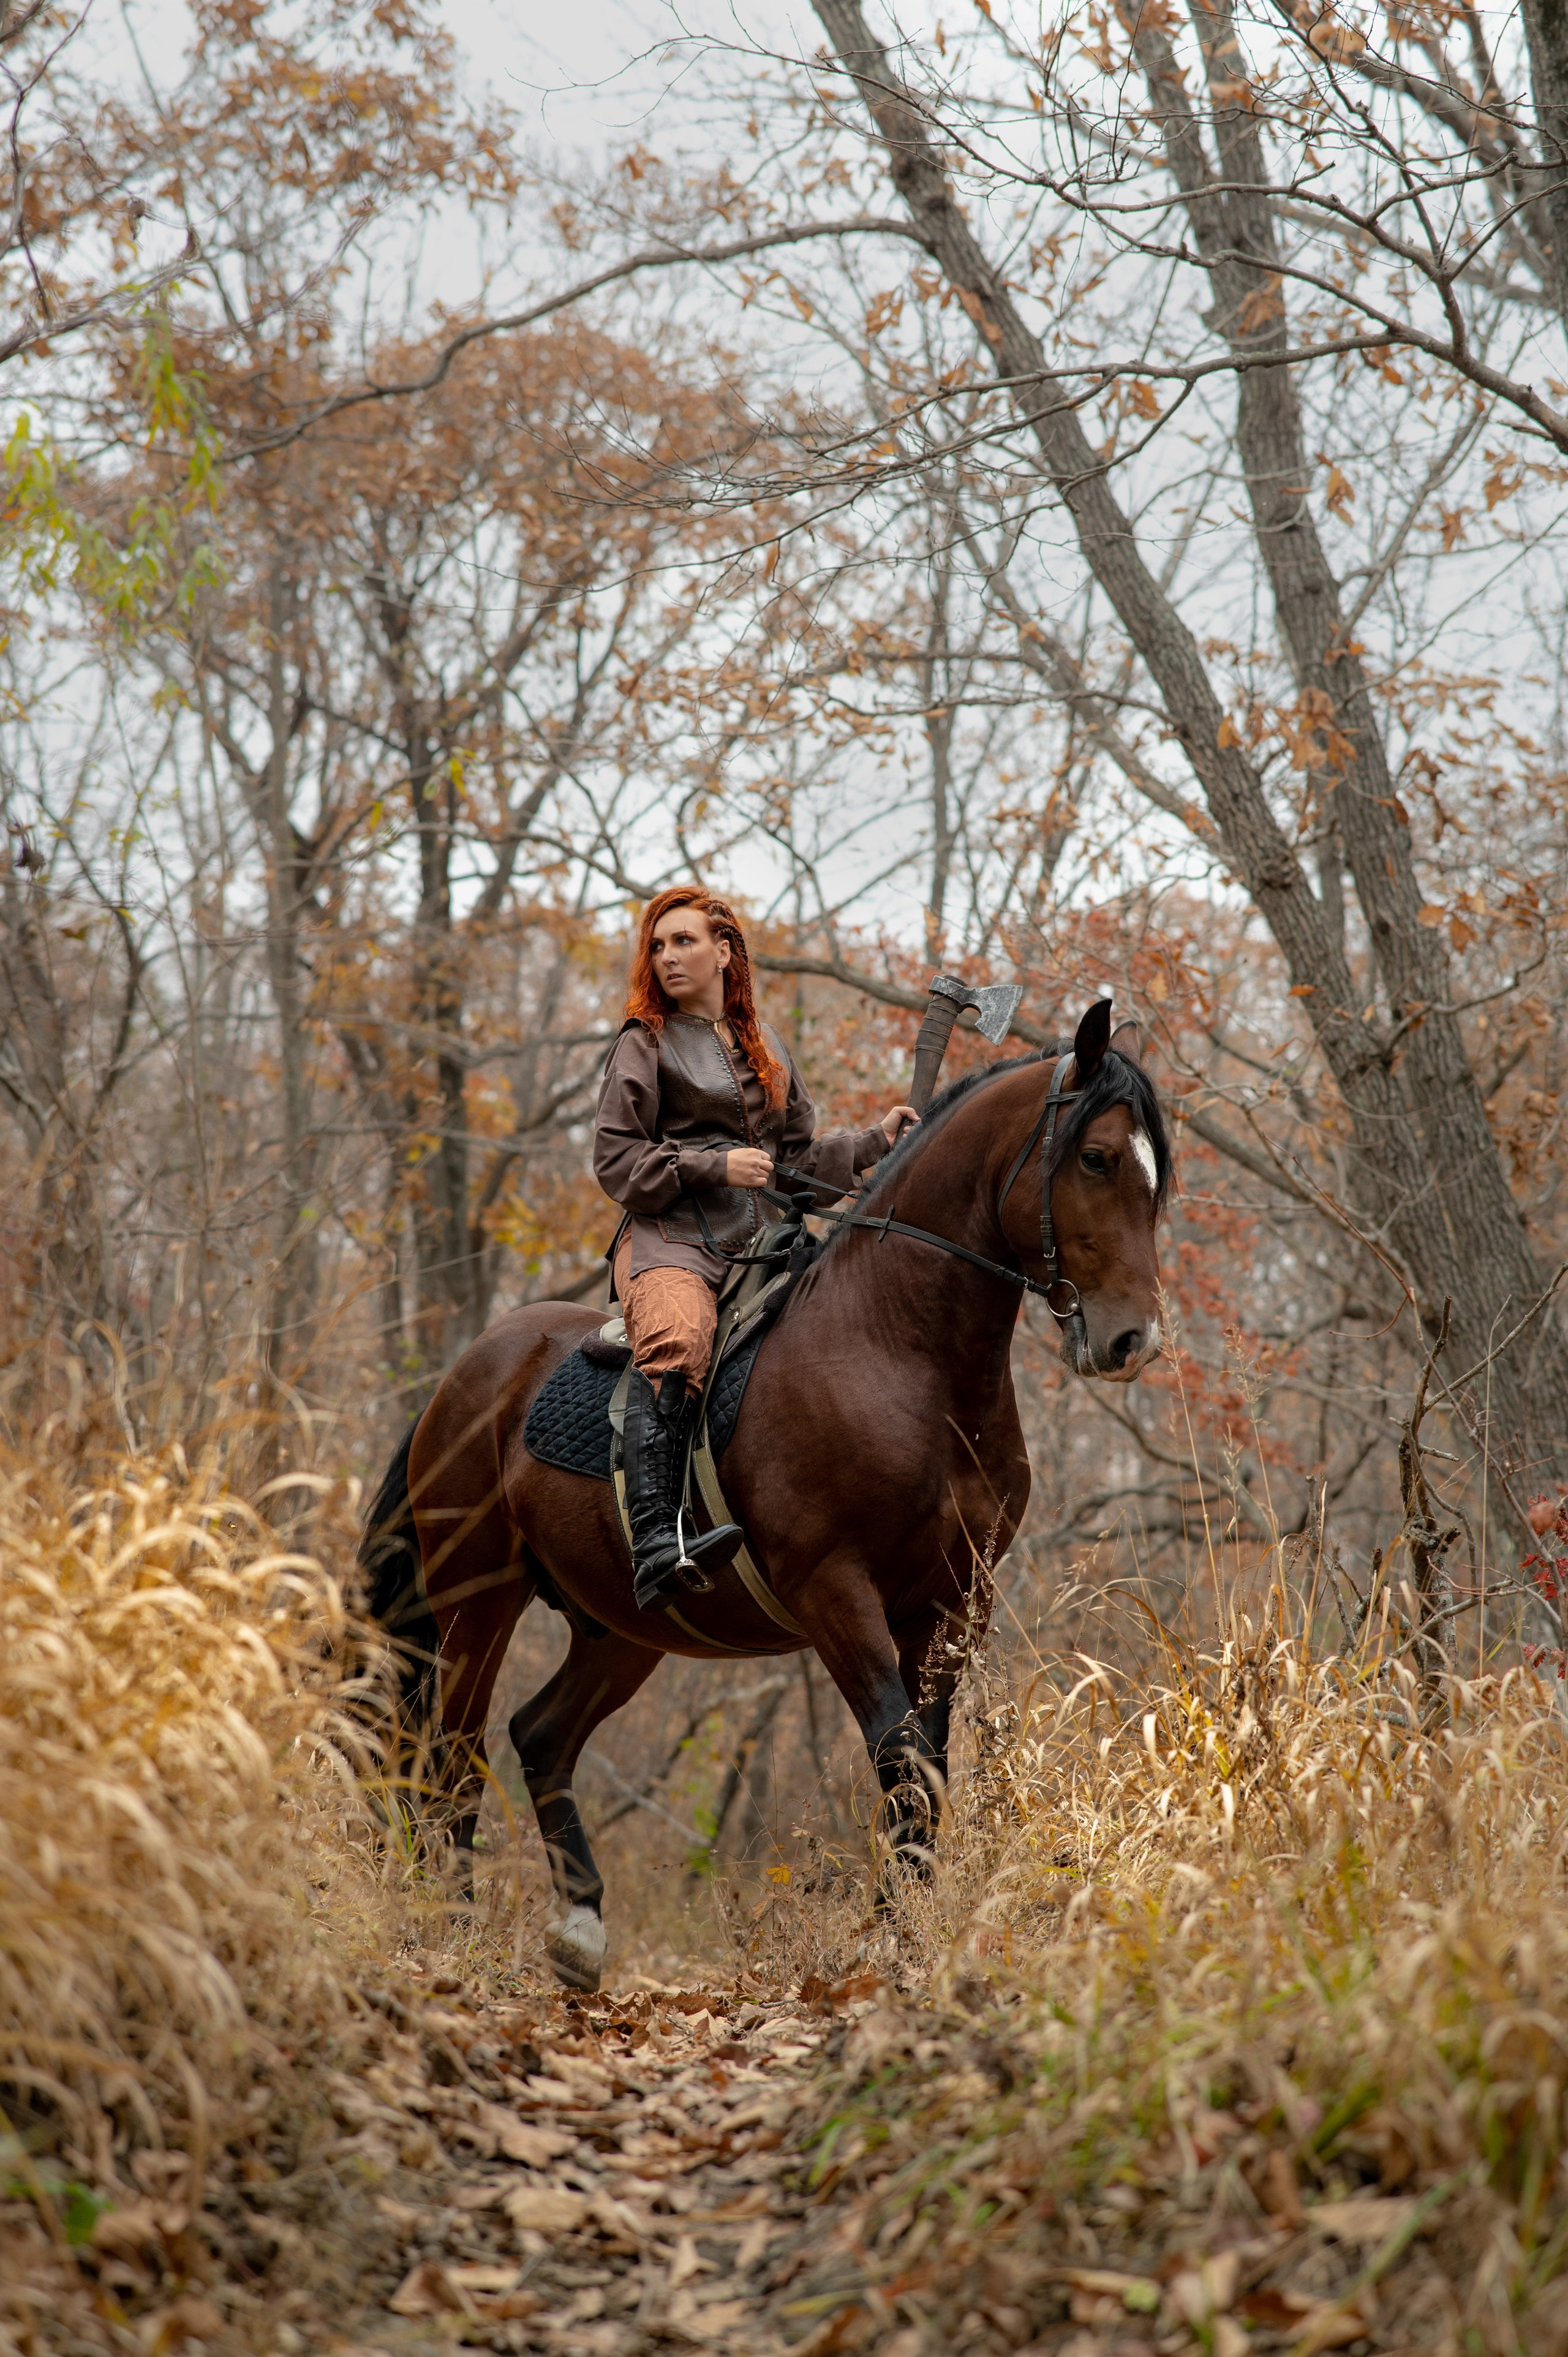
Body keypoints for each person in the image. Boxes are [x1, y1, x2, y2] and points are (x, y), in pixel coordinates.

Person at [593, 886, 918, 1610]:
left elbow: (799, 1163)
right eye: (658, 945)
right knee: (679, 1337)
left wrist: (873, 1142)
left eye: (684, 941)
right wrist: (713, 1165)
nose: (668, 956)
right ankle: (655, 1538)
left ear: (725, 951)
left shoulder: (766, 1045)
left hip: (765, 1244)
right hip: (669, 1241)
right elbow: (616, 1162)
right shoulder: (641, 1042)